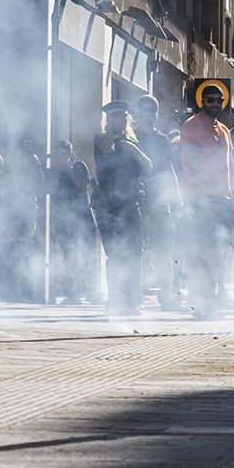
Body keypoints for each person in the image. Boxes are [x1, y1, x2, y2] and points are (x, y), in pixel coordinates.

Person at [179, 85, 234, 318]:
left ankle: (211, 302)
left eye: (219, 100)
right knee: (200, 254)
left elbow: (230, 167)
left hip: (222, 201)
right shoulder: (191, 127)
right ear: (202, 101)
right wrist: (198, 198)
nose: (215, 104)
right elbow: (189, 164)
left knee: (217, 255)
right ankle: (201, 304)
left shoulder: (224, 130)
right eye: (211, 100)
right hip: (201, 201)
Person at [93, 101, 152, 317]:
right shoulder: (101, 138)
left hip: (131, 203)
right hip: (109, 204)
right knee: (116, 254)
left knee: (135, 253)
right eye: (114, 118)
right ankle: (116, 299)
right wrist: (112, 135)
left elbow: (148, 165)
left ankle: (133, 300)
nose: (119, 121)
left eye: (122, 118)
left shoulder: (134, 140)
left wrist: (133, 149)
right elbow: (105, 151)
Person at [134, 95, 184, 311]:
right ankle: (133, 294)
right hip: (135, 199)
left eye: (153, 109)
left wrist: (177, 198)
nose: (150, 113)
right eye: (146, 109)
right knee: (135, 248)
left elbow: (168, 169)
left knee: (165, 247)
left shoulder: (162, 139)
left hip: (158, 200)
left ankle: (168, 296)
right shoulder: (131, 136)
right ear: (138, 112)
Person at [48, 140, 99, 304]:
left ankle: (93, 292)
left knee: (88, 256)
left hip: (83, 217)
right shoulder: (52, 170)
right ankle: (74, 294)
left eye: (62, 154)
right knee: (69, 257)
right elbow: (51, 190)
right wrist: (56, 170)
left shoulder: (79, 166)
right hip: (63, 219)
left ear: (70, 154)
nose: (59, 157)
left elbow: (81, 185)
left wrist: (68, 167)